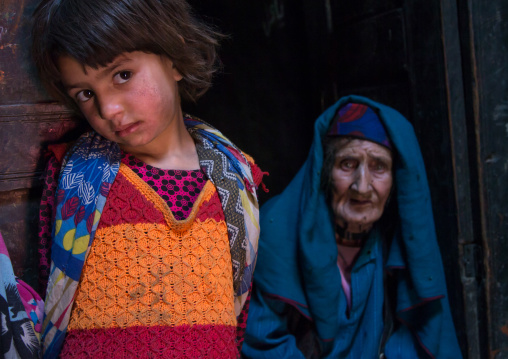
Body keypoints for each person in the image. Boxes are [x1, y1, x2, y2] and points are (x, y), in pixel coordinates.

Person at [31, 0, 265, 357]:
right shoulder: (77, 178)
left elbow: (238, 308)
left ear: (173, 55)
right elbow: (54, 290)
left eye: (122, 75)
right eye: (86, 94)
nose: (108, 109)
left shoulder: (233, 177)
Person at [242, 95, 462, 358]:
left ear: (395, 180)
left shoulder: (397, 238)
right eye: (348, 164)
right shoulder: (279, 228)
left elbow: (419, 333)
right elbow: (262, 338)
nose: (362, 186)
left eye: (379, 167)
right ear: (324, 170)